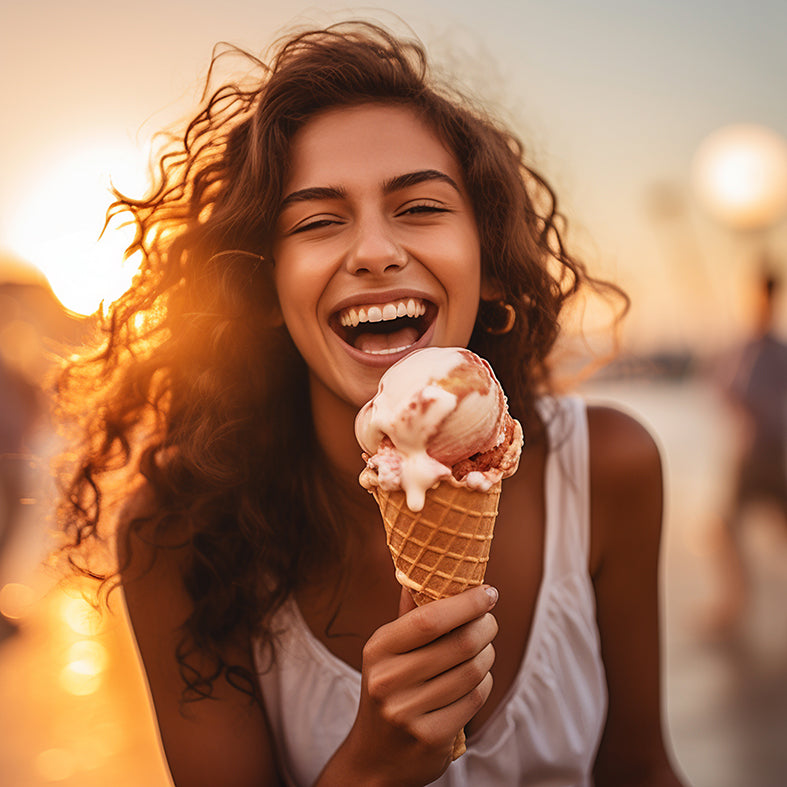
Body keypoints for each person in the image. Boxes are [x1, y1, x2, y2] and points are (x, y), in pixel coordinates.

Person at [53, 21, 686, 787]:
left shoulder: (608, 468)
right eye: (319, 221)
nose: (375, 251)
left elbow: (642, 768)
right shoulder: (180, 534)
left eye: (419, 208)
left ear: (487, 261)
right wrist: (371, 767)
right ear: (263, 287)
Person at [707, 268, 787, 634]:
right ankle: (735, 602)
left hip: (761, 453)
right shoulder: (764, 348)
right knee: (725, 527)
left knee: (724, 526)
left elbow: (735, 392)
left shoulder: (759, 349)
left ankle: (735, 604)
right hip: (764, 451)